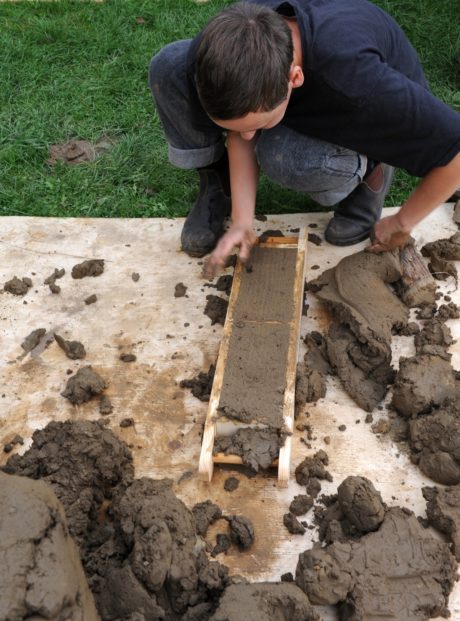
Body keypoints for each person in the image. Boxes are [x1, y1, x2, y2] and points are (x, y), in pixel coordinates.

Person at [149, 0, 460, 271]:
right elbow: (240, 134)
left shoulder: (358, 83)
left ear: (293, 78)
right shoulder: (214, 47)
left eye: (256, 124)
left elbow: (456, 150)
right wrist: (242, 220)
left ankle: (370, 168)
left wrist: (401, 223)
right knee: (170, 66)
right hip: (318, 80)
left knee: (282, 156)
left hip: (368, 106)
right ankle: (215, 184)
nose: (244, 139)